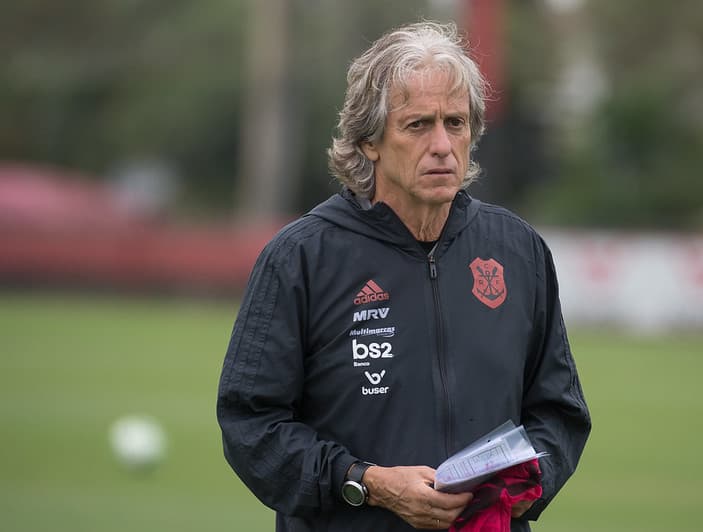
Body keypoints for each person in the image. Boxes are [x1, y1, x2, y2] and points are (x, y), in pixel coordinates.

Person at [217, 21, 590, 532]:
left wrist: (534, 479)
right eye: (418, 125)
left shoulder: (517, 251)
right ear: (369, 141)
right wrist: (365, 483)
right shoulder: (300, 258)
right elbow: (251, 425)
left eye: (456, 124)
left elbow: (558, 411)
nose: (442, 145)